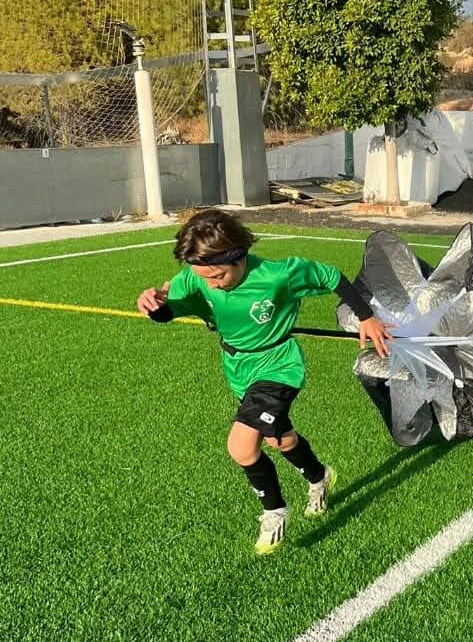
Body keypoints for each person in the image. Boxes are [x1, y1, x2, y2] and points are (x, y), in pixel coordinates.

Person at [136, 208, 391, 554]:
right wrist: (154, 306)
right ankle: (320, 478)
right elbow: (168, 312)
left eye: (218, 276)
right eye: (203, 277)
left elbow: (331, 276)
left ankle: (274, 510)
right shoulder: (195, 278)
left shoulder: (277, 276)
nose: (210, 284)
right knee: (280, 441)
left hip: (278, 366)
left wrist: (367, 317)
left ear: (238, 257)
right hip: (238, 369)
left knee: (241, 447)